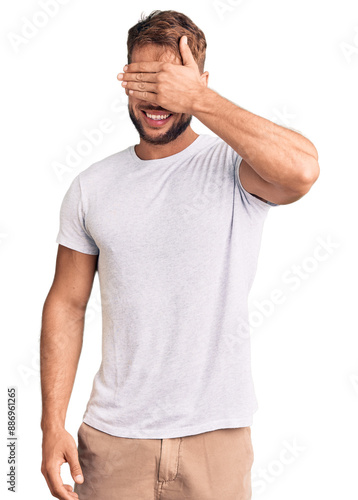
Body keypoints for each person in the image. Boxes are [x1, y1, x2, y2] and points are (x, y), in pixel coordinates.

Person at [40, 9, 319, 500]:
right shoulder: (91, 188)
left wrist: (202, 100)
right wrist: (49, 424)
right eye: (144, 81)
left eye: (172, 85)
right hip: (113, 442)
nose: (156, 100)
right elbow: (67, 303)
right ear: (124, 80)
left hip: (217, 439)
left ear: (201, 83)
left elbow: (302, 171)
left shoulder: (237, 167)